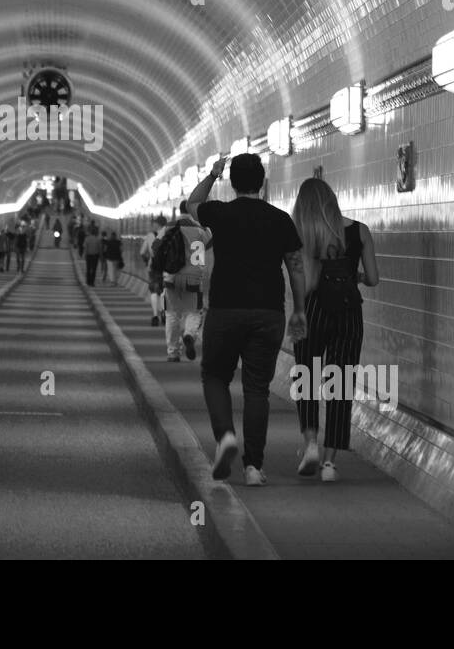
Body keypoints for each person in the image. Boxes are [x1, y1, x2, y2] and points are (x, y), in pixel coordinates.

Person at [188, 153, 308, 487]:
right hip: (268, 312)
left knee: (215, 376)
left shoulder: (219, 212)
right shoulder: (280, 219)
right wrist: (299, 309)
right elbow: (295, 266)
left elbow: (192, 202)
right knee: (257, 389)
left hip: (226, 309)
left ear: (233, 181)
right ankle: (253, 467)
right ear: (262, 181)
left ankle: (225, 436)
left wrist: (212, 174)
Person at [291, 178, 379, 483]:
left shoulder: (303, 233)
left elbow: (307, 280)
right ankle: (329, 462)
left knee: (306, 377)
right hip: (349, 312)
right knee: (341, 384)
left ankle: (311, 444)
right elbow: (374, 278)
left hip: (314, 309)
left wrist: (298, 312)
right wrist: (352, 276)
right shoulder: (360, 230)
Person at [157, 202, 211, 362]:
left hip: (171, 277)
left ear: (179, 211)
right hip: (193, 277)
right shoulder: (200, 229)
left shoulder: (167, 227)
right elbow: (209, 244)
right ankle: (189, 334)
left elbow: (157, 249)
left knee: (172, 314)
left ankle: (173, 352)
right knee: (194, 312)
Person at [139, 219, 165, 326]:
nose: (153, 226)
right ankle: (163, 312)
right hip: (167, 268)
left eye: (154, 224)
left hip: (153, 267)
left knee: (154, 291)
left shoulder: (150, 236)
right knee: (164, 291)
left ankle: (155, 316)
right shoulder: (170, 233)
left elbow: (142, 252)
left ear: (158, 224)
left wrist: (147, 262)